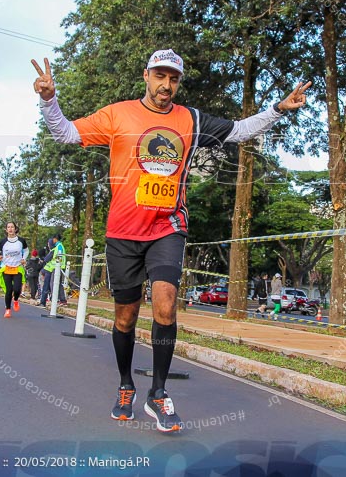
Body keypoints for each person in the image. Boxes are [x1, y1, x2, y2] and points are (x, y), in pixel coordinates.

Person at [32, 49, 309, 432]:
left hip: (168, 227)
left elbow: (241, 130)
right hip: (123, 233)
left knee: (165, 307)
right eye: (160, 76)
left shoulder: (190, 119)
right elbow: (65, 132)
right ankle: (126, 384)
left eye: (174, 79)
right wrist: (48, 99)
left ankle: (158, 392)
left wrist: (279, 108)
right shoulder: (117, 114)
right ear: (146, 76)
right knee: (125, 317)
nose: (166, 85)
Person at [0, 223, 28, 318]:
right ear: (6, 230)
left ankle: (15, 299)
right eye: (8, 227)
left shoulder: (21, 241)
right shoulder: (3, 242)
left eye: (12, 227)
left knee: (16, 289)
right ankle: (8, 309)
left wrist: (24, 258)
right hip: (7, 267)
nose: (10, 229)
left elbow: (27, 250)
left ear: (15, 229)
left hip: (17, 267)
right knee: (9, 290)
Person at [39, 235, 66, 307]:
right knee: (55, 284)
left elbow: (49, 259)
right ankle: (57, 300)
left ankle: (55, 300)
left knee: (53, 284)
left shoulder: (58, 247)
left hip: (55, 268)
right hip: (53, 268)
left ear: (55, 239)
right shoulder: (57, 247)